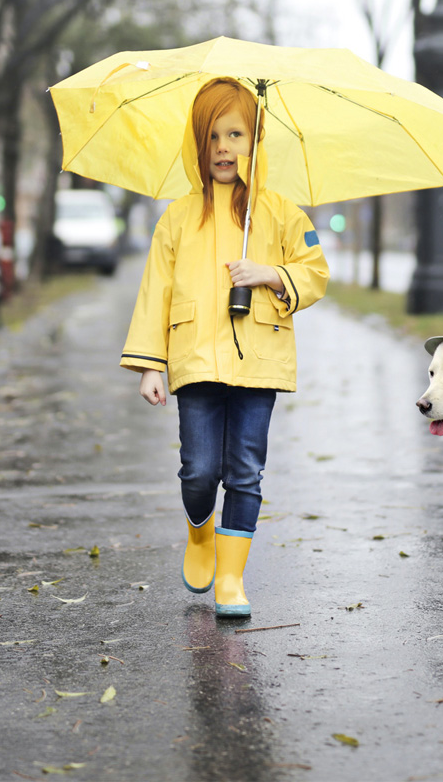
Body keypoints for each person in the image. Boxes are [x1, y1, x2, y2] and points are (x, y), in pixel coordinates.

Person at [121, 77, 330, 617]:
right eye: (212, 136)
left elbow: (315, 272)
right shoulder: (178, 217)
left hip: (259, 359)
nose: (223, 148)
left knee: (244, 470)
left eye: (235, 134)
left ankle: (231, 580)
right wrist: (150, 365)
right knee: (199, 470)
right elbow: (154, 294)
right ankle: (199, 534)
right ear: (199, 145)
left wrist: (270, 272)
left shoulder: (282, 212)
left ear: (255, 141)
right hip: (194, 359)